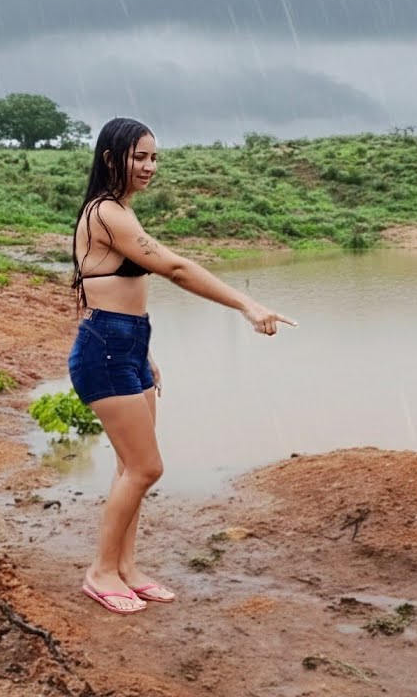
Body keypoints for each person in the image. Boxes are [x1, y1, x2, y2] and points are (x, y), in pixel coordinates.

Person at [69, 117, 295, 614]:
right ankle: (100, 571)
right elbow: (174, 268)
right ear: (111, 158)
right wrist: (246, 305)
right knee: (147, 467)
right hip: (104, 349)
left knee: (131, 466)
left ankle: (125, 566)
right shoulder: (106, 212)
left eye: (154, 157)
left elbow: (111, 294)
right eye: (139, 156)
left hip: (127, 344)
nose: (149, 166)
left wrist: (143, 352)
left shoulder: (121, 211)